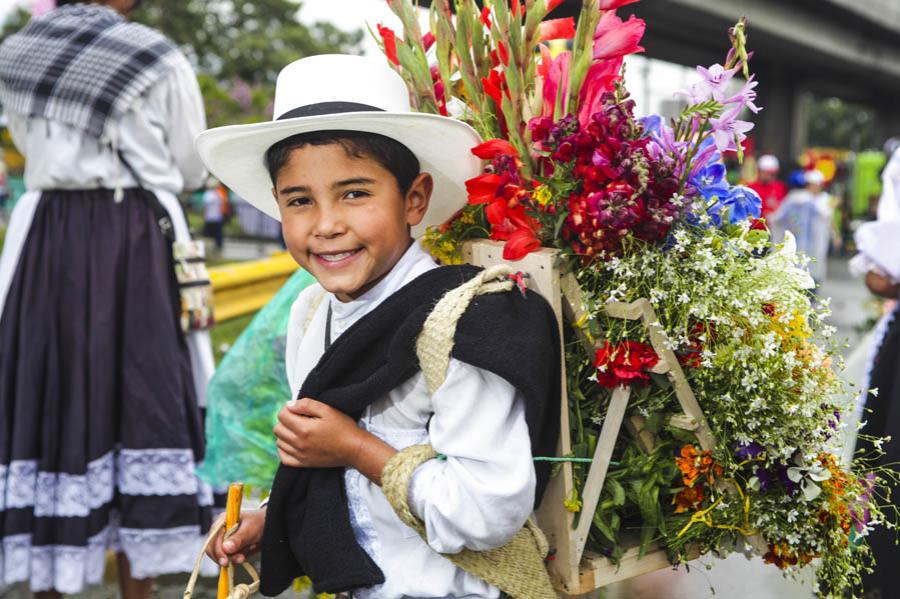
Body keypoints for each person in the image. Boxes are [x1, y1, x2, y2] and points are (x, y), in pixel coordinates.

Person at [196, 54, 560, 596]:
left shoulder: (465, 324)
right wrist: (274, 520)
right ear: (278, 206)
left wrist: (354, 448)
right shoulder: (311, 313)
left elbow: (487, 512)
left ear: (414, 199)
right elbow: (331, 471)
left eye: (355, 193)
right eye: (300, 201)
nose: (326, 225)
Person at [0, 1, 216, 597]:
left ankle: (50, 572)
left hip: (47, 235)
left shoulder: (16, 51)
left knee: (51, 387)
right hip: (134, 238)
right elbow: (190, 165)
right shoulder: (154, 55)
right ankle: (136, 584)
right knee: (143, 395)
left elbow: (21, 141)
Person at [769, 169, 834, 284]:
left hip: (804, 241)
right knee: (807, 265)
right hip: (808, 242)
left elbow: (779, 218)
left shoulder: (814, 200)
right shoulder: (806, 200)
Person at [747, 154, 787, 219]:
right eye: (766, 173)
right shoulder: (750, 188)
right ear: (759, 171)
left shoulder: (780, 187)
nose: (769, 176)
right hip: (755, 227)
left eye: (772, 174)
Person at [202, 177, 226, 253]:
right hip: (217, 217)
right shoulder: (219, 194)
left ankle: (209, 250)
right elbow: (223, 203)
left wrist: (204, 216)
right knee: (218, 235)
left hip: (210, 218)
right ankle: (218, 249)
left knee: (208, 235)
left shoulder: (207, 194)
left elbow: (205, 207)